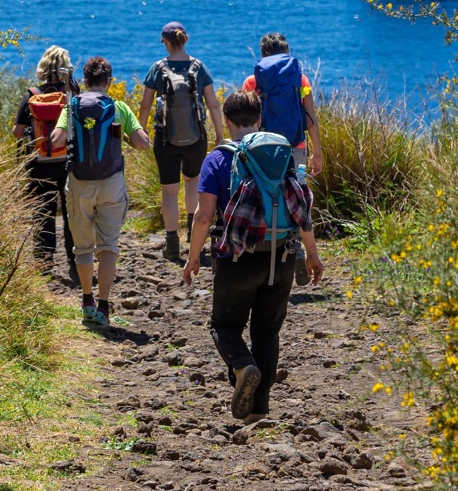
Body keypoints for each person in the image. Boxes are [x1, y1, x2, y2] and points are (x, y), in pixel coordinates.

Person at [184, 90, 323, 424]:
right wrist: (312, 255)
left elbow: (203, 217)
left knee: (224, 325)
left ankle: (243, 365)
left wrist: (192, 258)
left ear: (228, 122)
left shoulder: (218, 159)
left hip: (236, 257)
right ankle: (258, 411)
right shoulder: (282, 154)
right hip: (283, 255)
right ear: (259, 119)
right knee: (266, 333)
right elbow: (300, 206)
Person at [51, 56, 150, 328]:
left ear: (84, 81)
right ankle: (104, 306)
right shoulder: (118, 108)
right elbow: (143, 143)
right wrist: (124, 137)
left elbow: (56, 141)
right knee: (108, 247)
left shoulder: (71, 107)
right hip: (112, 184)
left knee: (82, 246)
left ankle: (86, 302)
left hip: (80, 184)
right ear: (109, 82)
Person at [138, 21, 224, 261]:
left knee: (169, 189)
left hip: (165, 137)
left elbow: (145, 104)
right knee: (193, 183)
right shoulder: (199, 67)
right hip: (196, 136)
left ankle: (172, 241)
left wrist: (141, 130)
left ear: (166, 41)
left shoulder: (157, 68)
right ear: (185, 40)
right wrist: (219, 132)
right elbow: (213, 104)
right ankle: (192, 233)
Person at [242, 33, 322, 285]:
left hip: (265, 148)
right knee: (298, 196)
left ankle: (265, 247)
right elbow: (310, 117)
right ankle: (296, 247)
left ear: (262, 54)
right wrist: (317, 151)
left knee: (265, 193)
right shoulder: (301, 79)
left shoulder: (252, 81)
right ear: (287, 52)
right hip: (296, 146)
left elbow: (247, 123)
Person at [12, 45, 76, 280]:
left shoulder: (32, 94)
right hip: (68, 163)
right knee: (72, 215)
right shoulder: (71, 95)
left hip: (39, 164)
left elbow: (17, 133)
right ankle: (76, 261)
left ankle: (44, 265)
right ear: (65, 69)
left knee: (42, 215)